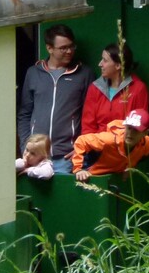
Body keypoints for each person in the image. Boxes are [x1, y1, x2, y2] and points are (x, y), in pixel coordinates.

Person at [18, 25, 93, 174]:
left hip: (65, 156)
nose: (69, 51)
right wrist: (26, 146)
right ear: (49, 48)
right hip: (35, 157)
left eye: (72, 46)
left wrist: (81, 146)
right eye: (63, 48)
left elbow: (89, 115)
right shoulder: (33, 73)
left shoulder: (84, 74)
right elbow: (25, 113)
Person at [81, 41, 149, 135]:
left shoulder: (138, 89)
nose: (100, 64)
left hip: (125, 146)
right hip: (98, 146)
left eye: (105, 60)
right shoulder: (95, 88)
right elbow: (87, 127)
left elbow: (139, 127)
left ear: (118, 65)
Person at [73, 109, 149, 182]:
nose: (130, 134)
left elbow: (137, 157)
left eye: (136, 130)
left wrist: (129, 168)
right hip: (89, 176)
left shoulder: (148, 145)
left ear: (145, 133)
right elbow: (81, 141)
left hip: (110, 178)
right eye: (129, 128)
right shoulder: (108, 140)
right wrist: (78, 169)